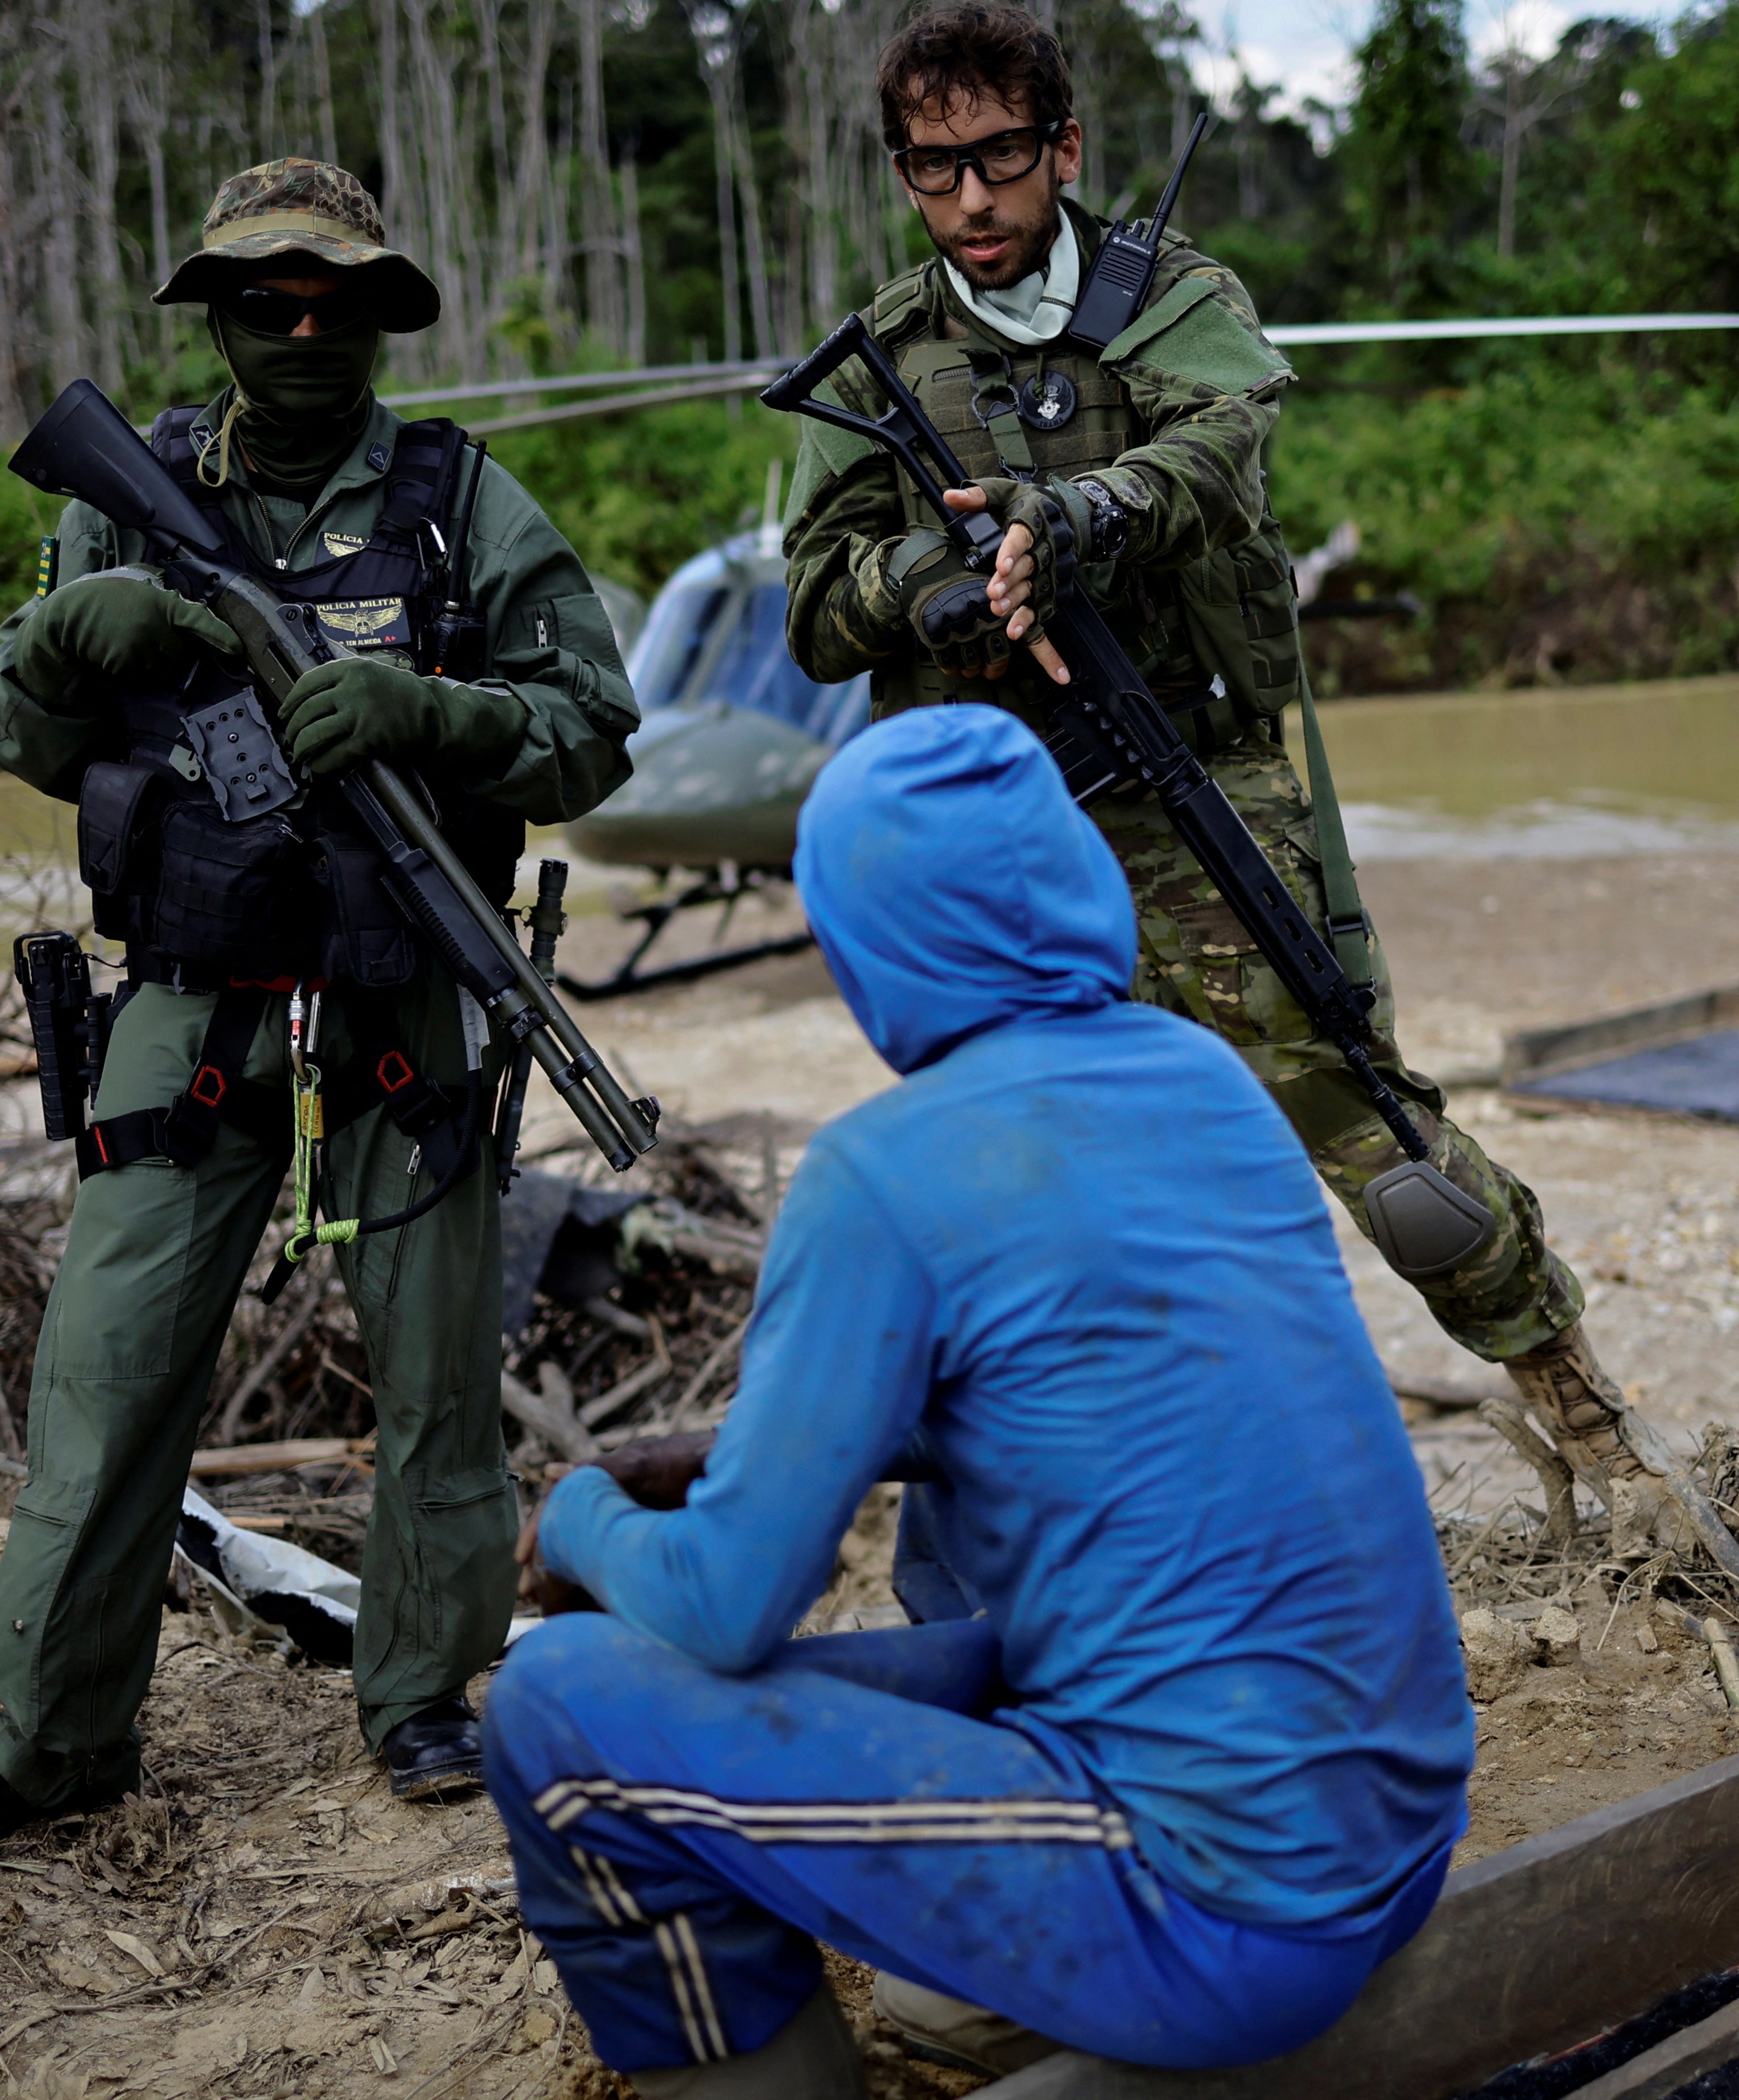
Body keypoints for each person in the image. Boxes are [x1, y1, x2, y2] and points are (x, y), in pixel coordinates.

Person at [484, 705, 1471, 2097]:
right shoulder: (1206, 1078)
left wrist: (582, 1515)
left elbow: (722, 1604)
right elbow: (1078, 1397)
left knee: (557, 1707)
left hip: (1230, 1917)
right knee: (984, 1594)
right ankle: (1007, 1982)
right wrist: (722, 1457)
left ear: (862, 942)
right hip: (1396, 1850)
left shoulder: (880, 1171)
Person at [777, 0, 1642, 1530]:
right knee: (1027, 1180)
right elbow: (815, 598)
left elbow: (1218, 446)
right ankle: (1088, 1511)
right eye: (933, 169)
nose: (972, 201)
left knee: (1368, 1121)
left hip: (1184, 769)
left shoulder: (1171, 300)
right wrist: (932, 584)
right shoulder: (885, 358)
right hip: (990, 822)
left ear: (1065, 146)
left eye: (999, 159)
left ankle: (1591, 1421)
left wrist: (1078, 516)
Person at [0, 159, 638, 1844]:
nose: (301, 330)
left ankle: (424, 1697)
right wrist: (82, 629)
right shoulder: (124, 491)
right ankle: (54, 1738)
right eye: (265, 303)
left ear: (377, 315)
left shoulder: (457, 505)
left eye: (333, 303)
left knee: (437, 1372)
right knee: (109, 1366)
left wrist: (428, 713)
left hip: (405, 989)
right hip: (193, 1002)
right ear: (216, 318)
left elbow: (592, 724)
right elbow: (33, 733)